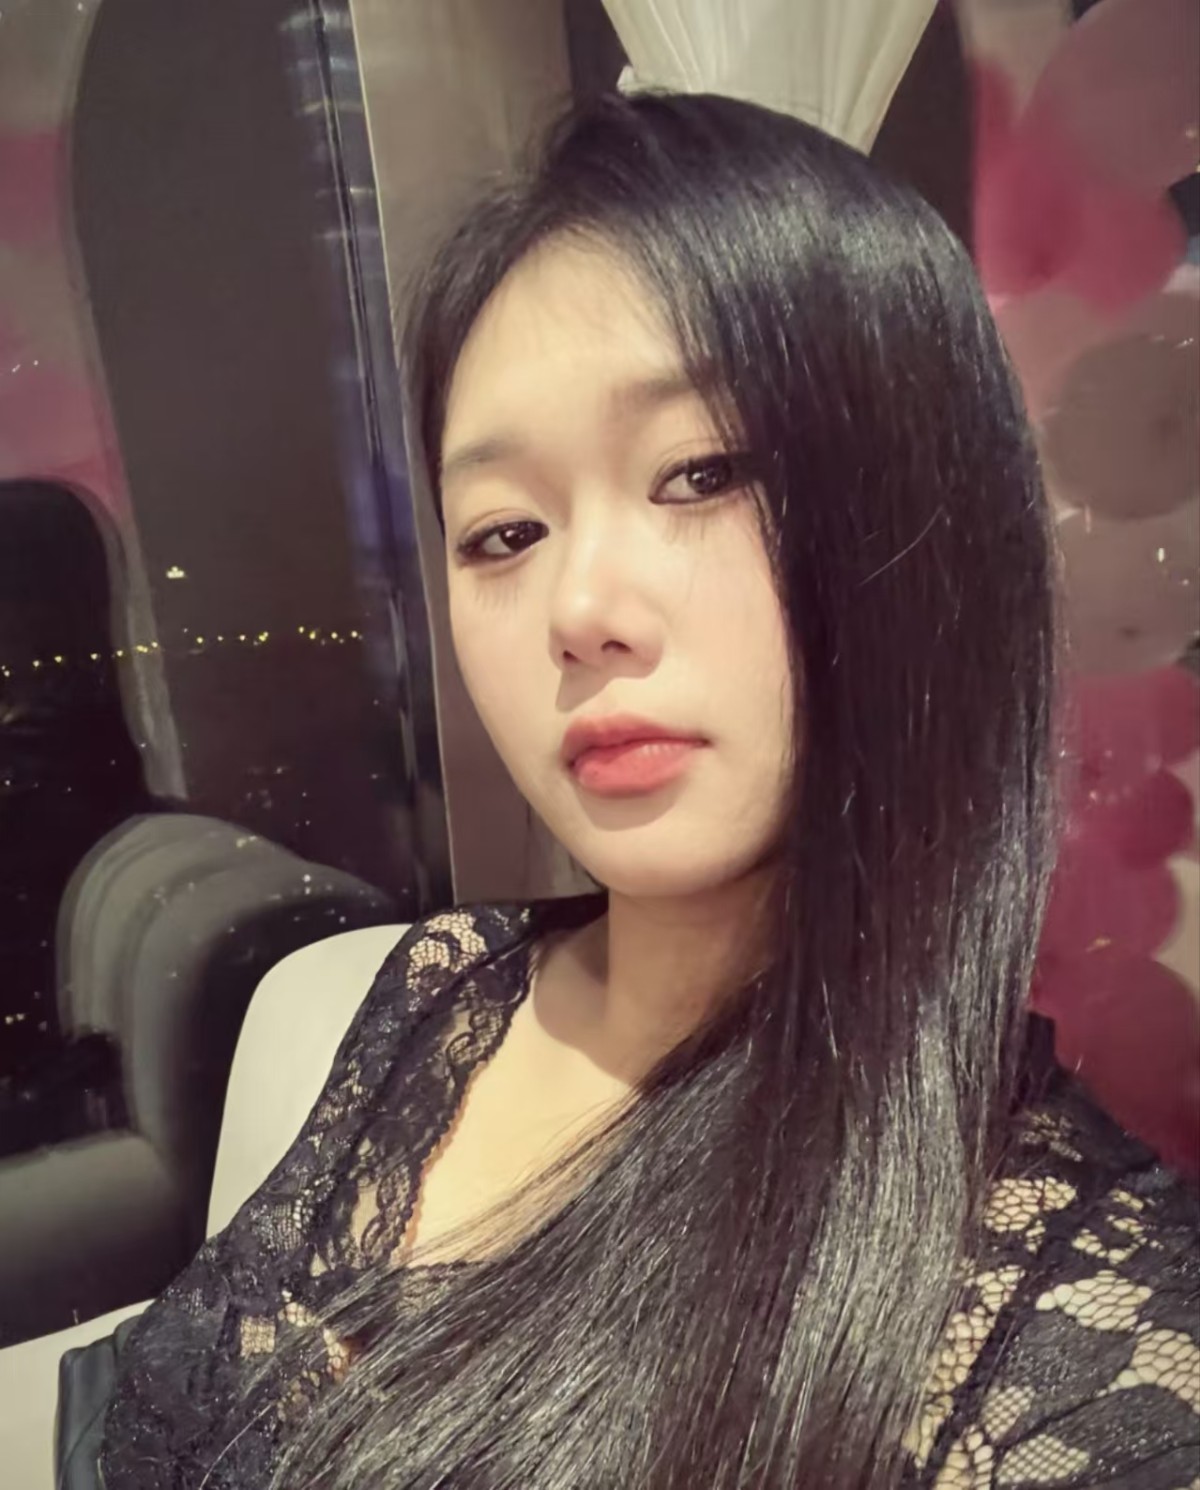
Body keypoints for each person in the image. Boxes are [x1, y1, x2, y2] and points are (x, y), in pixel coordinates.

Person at [97, 91, 1199, 1489]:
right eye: (504, 531)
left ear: (926, 516)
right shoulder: (441, 992)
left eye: (699, 472)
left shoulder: (1077, 1341)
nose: (579, 608)